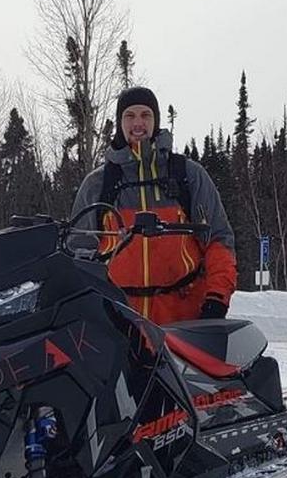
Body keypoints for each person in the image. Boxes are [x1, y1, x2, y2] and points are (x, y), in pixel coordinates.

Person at [70, 86, 238, 325]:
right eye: (130, 116)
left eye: (145, 115)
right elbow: (79, 252)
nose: (138, 123)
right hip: (119, 322)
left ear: (155, 120)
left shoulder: (188, 175)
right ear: (120, 122)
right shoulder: (98, 184)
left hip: (184, 321)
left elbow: (219, 240)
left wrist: (217, 298)